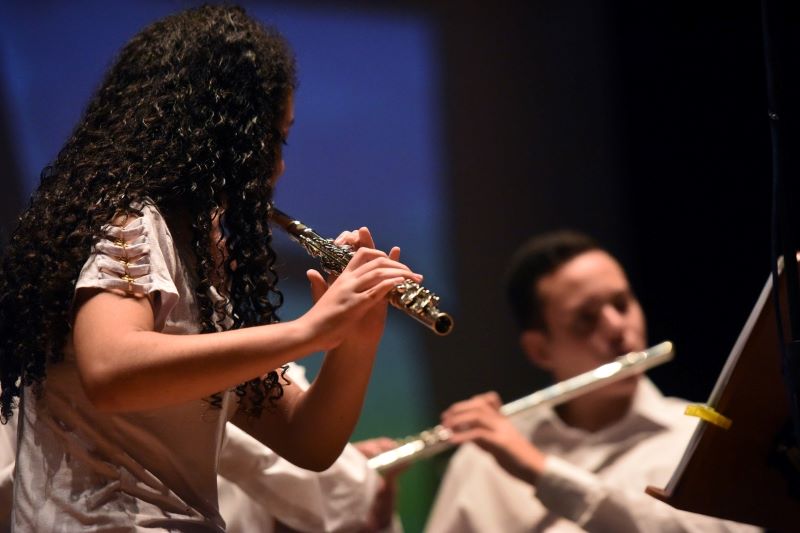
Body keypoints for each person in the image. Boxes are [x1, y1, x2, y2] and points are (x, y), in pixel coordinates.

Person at [0, 5, 418, 531]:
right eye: (272, 137)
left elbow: (308, 441)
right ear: (220, 132)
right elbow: (111, 369)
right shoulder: (130, 218)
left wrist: (355, 337)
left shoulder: (202, 270)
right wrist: (311, 328)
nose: (278, 165)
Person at [426, 230, 761, 532]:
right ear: (540, 350)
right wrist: (380, 520)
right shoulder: (484, 457)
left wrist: (542, 472)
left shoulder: (699, 438)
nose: (617, 327)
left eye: (622, 303)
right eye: (586, 319)